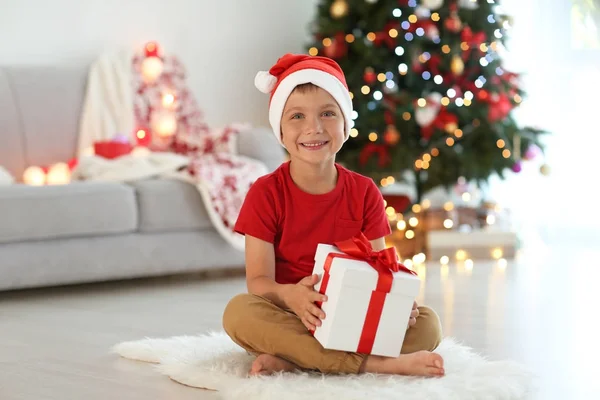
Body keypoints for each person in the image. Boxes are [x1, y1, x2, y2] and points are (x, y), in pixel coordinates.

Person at [222, 53, 444, 377]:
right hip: (290, 314)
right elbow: (257, 282)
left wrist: (395, 302)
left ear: (345, 124)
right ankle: (374, 364)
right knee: (239, 313)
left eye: (328, 113)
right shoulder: (265, 192)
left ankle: (296, 360)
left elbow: (382, 267)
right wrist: (291, 296)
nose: (313, 128)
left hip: (350, 316)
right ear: (280, 131)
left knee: (428, 325)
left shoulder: (365, 191)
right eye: (296, 116)